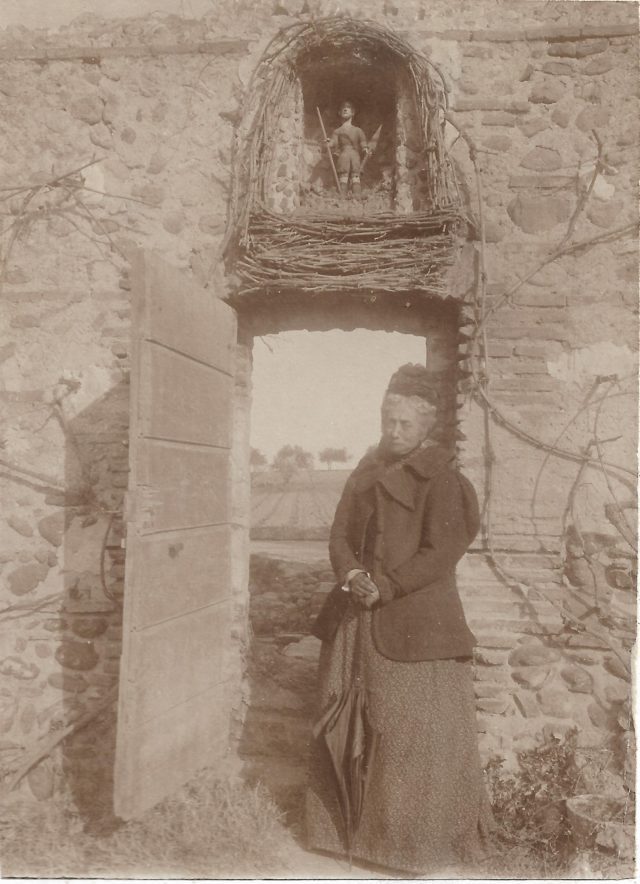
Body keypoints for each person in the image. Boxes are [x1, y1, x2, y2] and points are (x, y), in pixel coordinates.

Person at [305, 363, 491, 876]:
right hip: (355, 622)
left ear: (427, 425)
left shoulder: (444, 479)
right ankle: (342, 838)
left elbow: (442, 551)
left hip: (417, 624)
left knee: (409, 733)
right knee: (343, 722)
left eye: (405, 424)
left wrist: (385, 586)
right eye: (388, 419)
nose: (393, 431)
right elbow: (340, 534)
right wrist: (351, 575)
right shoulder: (366, 469)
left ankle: (410, 847)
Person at [326, 101, 369, 196]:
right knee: (343, 175)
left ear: (353, 112)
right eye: (343, 108)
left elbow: (362, 142)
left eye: (348, 107)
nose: (345, 109)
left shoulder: (358, 130)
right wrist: (330, 143)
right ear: (339, 113)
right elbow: (334, 142)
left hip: (355, 155)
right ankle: (342, 194)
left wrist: (365, 148)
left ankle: (357, 195)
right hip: (343, 155)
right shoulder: (337, 131)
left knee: (355, 175)